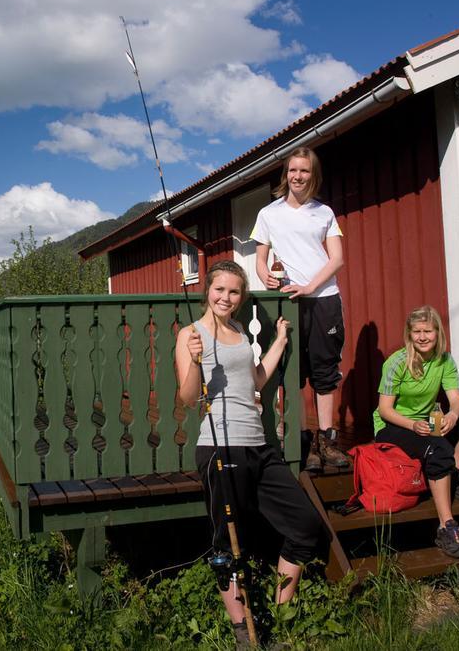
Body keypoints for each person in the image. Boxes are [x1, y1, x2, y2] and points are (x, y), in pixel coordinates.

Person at [175, 260, 323, 648]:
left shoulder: (240, 331)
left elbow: (256, 379)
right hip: (219, 447)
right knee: (227, 545)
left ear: (242, 297)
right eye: (219, 289)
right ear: (207, 290)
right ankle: (245, 632)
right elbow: (188, 398)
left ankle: (278, 616)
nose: (226, 297)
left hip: (258, 446)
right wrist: (194, 360)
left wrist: (279, 342)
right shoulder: (191, 335)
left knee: (305, 526)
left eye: (234, 291)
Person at [373, 305, 459, 559]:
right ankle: (446, 526)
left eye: (427, 331)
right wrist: (412, 425)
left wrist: (453, 415)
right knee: (438, 447)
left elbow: (456, 399)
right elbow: (384, 409)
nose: (422, 337)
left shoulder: (444, 360)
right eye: (416, 331)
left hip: (427, 423)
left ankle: (452, 472)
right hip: (393, 426)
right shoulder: (396, 362)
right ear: (409, 334)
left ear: (437, 332)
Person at [252, 146, 348, 473]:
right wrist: (264, 275)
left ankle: (327, 441)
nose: (298, 176)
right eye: (293, 170)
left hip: (324, 301)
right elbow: (261, 259)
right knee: (292, 372)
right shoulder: (268, 214)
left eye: (304, 171)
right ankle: (303, 441)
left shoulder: (325, 213)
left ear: (313, 175)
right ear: (286, 174)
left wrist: (310, 286)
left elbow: (337, 259)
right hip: (289, 302)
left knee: (324, 372)